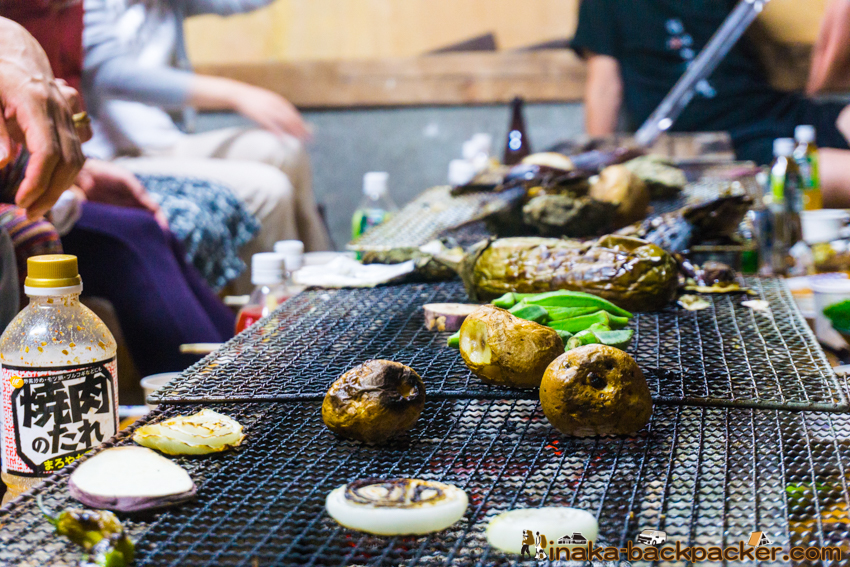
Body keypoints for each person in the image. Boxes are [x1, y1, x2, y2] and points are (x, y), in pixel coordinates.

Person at [82, 0, 333, 292]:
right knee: (270, 189)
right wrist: (235, 94)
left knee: (284, 150)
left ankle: (326, 285)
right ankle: (268, 315)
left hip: (163, 142)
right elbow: (111, 73)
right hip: (110, 157)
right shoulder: (89, 6)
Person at [573, 0, 850, 207]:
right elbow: (604, 86)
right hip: (725, 144)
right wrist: (600, 172)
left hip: (779, 109)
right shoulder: (606, 4)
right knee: (830, 172)